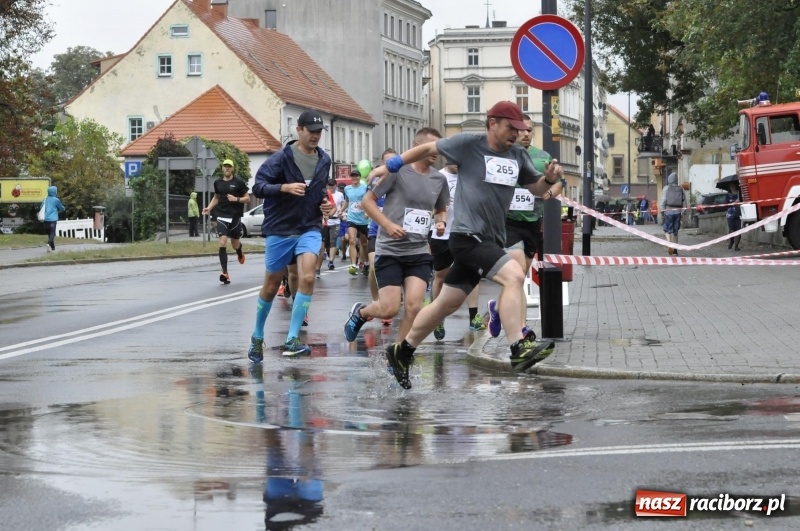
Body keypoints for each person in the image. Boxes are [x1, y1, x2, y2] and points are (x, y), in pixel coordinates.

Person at [369, 101, 563, 389]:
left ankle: (402, 351)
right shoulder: (467, 144)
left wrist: (548, 179)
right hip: (467, 236)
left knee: (446, 303)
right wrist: (391, 164)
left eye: (520, 129)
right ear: (492, 123)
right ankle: (517, 347)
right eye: (511, 128)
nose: (516, 134)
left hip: (491, 238)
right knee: (514, 276)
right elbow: (426, 150)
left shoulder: (517, 155)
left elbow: (534, 187)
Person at [343, 127, 449, 344]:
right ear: (417, 147)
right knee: (389, 308)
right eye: (430, 147)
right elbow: (367, 202)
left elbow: (440, 209)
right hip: (390, 250)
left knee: (414, 307)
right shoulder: (397, 172)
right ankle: (361, 313)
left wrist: (441, 223)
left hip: (418, 251)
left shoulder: (439, 179)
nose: (435, 151)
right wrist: (388, 225)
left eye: (437, 147)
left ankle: (399, 356)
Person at [247, 109, 335, 361]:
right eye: (311, 131)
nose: (316, 136)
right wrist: (284, 187)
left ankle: (293, 338)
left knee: (307, 275)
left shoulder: (324, 159)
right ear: (299, 130)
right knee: (272, 285)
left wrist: (325, 205)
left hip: (309, 226)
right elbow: (259, 187)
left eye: (319, 132)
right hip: (281, 228)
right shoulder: (280, 158)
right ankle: (257, 335)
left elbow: (317, 192)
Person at [491, 115, 550, 342]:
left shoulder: (542, 157)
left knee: (518, 277)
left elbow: (556, 184)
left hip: (532, 222)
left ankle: (497, 308)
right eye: (521, 130)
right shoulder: (502, 155)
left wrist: (550, 191)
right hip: (508, 222)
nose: (525, 134)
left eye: (529, 130)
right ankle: (522, 329)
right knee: (517, 274)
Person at [429, 159, 485, 340]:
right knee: (441, 277)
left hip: (465, 233)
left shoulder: (468, 177)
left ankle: (473, 317)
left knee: (473, 273)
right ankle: (437, 319)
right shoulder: (437, 177)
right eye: (454, 161)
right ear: (446, 158)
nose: (457, 164)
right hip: (441, 234)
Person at [202, 159, 250, 284]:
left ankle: (239, 252)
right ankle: (225, 272)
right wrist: (209, 207)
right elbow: (216, 197)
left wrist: (236, 199)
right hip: (221, 216)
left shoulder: (239, 183)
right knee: (222, 242)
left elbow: (247, 198)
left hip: (235, 217)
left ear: (232, 168)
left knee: (235, 244)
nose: (227, 168)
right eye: (225, 166)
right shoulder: (218, 183)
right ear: (222, 168)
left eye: (229, 166)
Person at [367, 149, 397, 326]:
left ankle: (389, 303)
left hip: (395, 233)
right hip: (376, 231)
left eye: (394, 162)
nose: (391, 165)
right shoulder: (375, 181)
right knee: (373, 268)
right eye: (387, 162)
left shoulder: (402, 181)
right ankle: (375, 301)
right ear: (381, 163)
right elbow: (365, 202)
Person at [340, 170, 369, 275]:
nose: (354, 178)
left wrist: (366, 210)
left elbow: (369, 200)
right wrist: (341, 210)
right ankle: (353, 265)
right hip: (352, 218)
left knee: (364, 243)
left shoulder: (365, 188)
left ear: (359, 177)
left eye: (356, 176)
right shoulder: (347, 189)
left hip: (363, 219)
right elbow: (347, 201)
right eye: (352, 176)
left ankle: (366, 262)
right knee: (352, 240)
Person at [660, 172, 685, 255]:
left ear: (669, 180)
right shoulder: (680, 189)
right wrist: (683, 212)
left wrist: (662, 210)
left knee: (667, 229)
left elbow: (663, 201)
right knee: (675, 231)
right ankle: (675, 249)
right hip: (678, 212)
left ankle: (669, 243)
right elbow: (684, 202)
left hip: (668, 212)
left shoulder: (666, 188)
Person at [322, 178, 345, 270]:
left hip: (335, 221)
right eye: (329, 185)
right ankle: (328, 252)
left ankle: (331, 262)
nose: (331, 187)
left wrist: (341, 212)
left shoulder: (340, 195)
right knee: (325, 243)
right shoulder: (324, 193)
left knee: (333, 241)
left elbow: (343, 204)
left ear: (336, 185)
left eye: (333, 185)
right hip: (325, 221)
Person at [41, 185, 65, 252]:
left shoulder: (45, 199)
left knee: (49, 233)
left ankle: (53, 248)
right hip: (53, 219)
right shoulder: (56, 200)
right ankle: (48, 244)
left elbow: (41, 207)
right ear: (54, 192)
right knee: (53, 233)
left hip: (46, 219)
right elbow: (61, 207)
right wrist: (62, 209)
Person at [725, 182, 741, 251]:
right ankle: (731, 241)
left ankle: (736, 245)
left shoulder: (739, 194)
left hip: (738, 214)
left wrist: (739, 202)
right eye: (731, 186)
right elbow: (726, 204)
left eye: (733, 185)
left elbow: (744, 202)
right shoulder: (728, 195)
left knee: (739, 230)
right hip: (730, 214)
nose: (732, 187)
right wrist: (733, 203)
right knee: (732, 230)